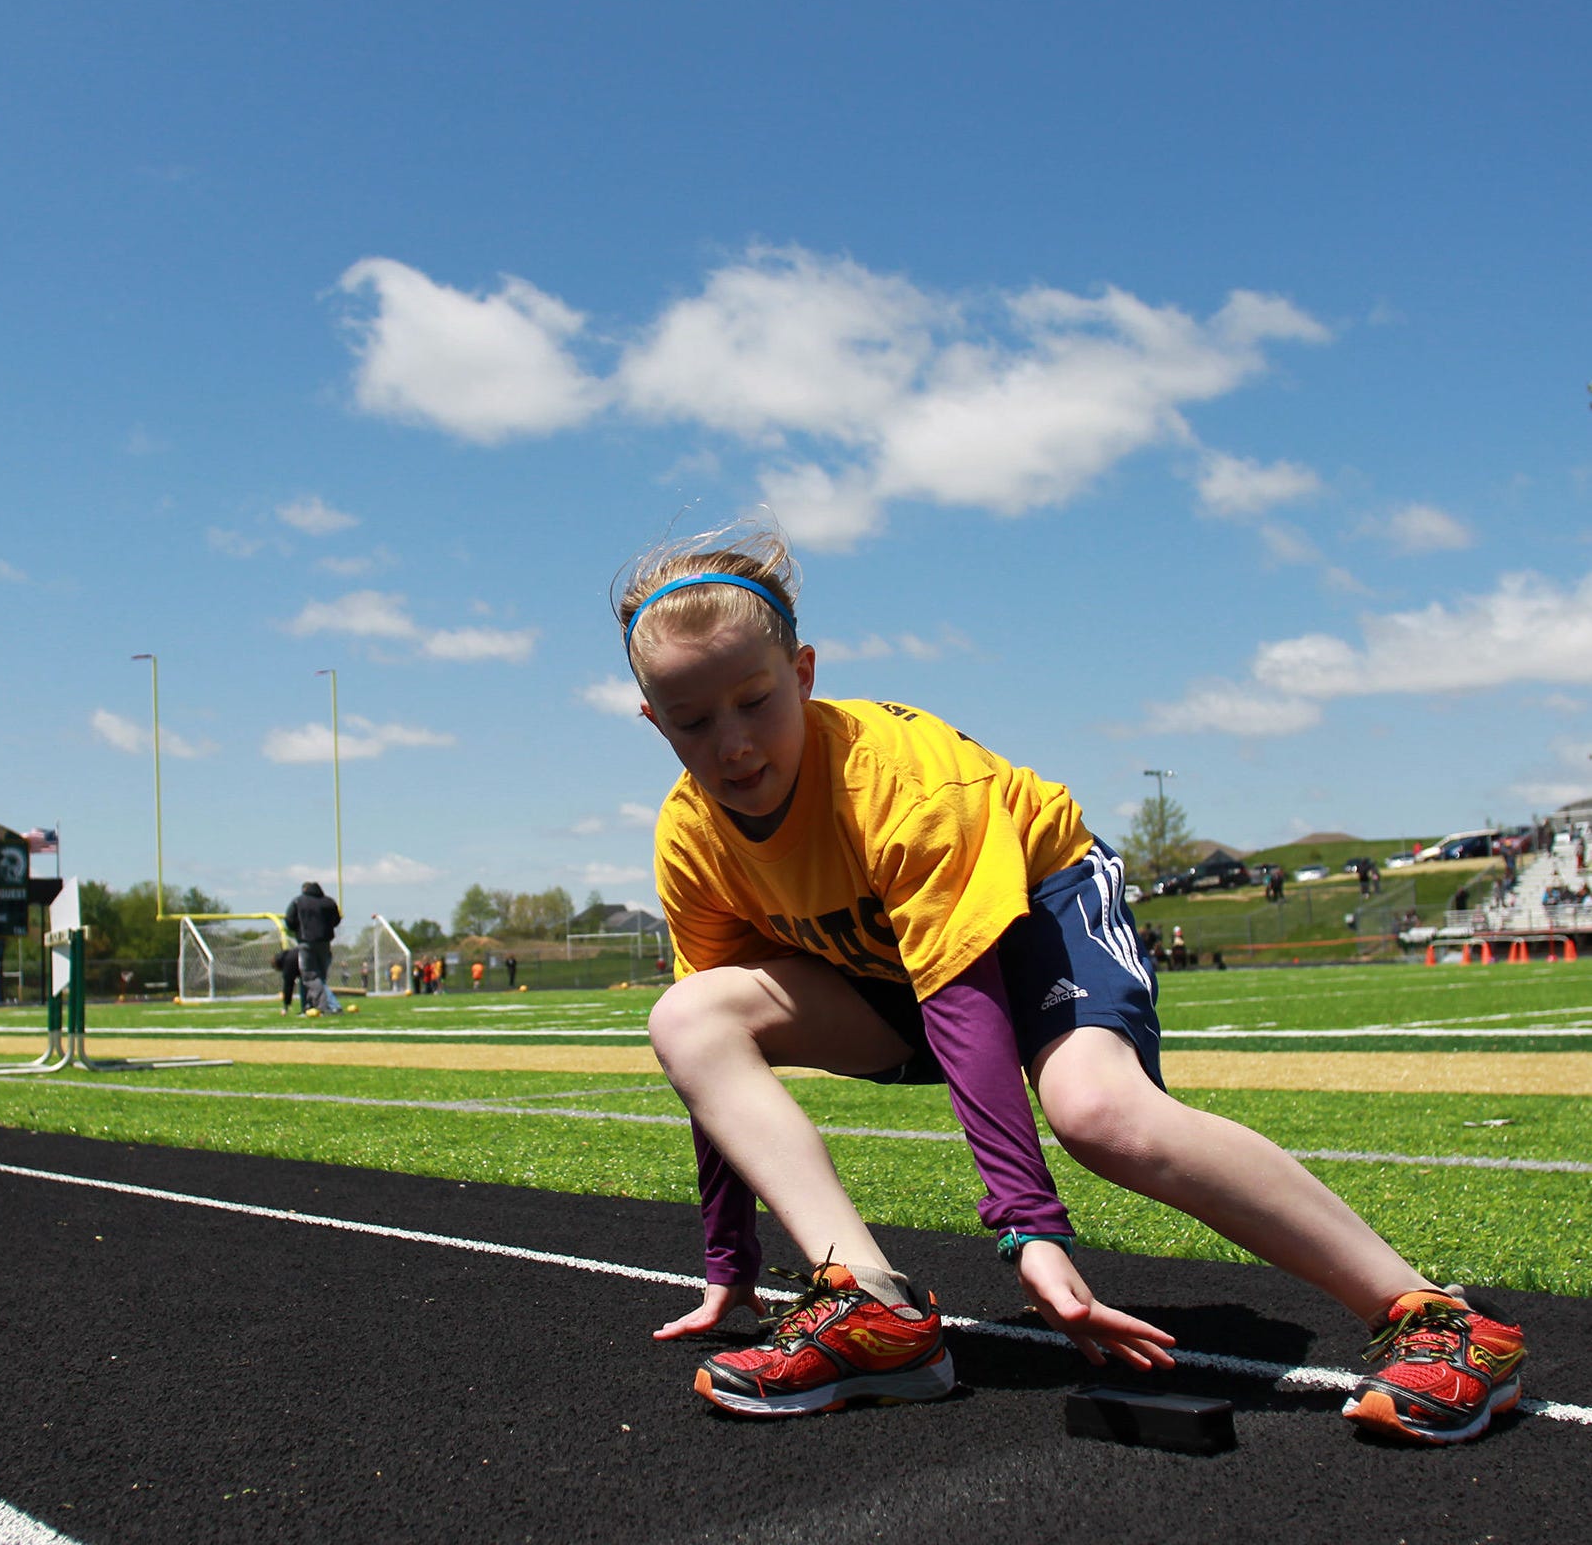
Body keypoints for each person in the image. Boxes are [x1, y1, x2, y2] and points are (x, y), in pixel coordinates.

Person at [615, 520, 1524, 1445]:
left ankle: (1438, 1322)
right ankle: (873, 1308)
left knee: (1097, 1115)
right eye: (692, 721)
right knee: (689, 1015)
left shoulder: (901, 784)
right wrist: (730, 1253)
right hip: (889, 973)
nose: (731, 745)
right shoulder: (691, 835)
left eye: (754, 702)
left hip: (1036, 921)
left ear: (803, 673)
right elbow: (712, 1080)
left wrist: (1029, 1231)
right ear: (653, 721)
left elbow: (963, 1001)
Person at [285, 880, 342, 1013]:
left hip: (306, 941)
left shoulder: (298, 901)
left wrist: (298, 931)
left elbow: (289, 920)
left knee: (311, 976)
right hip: (325, 942)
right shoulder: (329, 902)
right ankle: (310, 1006)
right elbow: (336, 920)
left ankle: (332, 1005)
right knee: (319, 977)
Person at [273, 944, 300, 1014]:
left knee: (310, 983)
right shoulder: (289, 954)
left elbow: (288, 986)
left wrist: (285, 1006)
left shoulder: (288, 962)